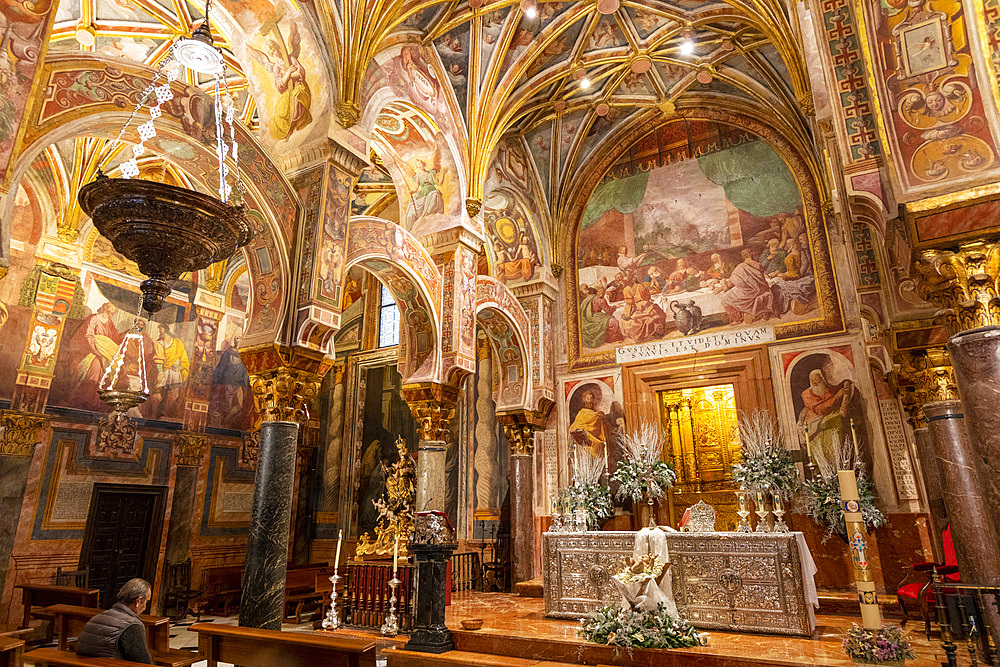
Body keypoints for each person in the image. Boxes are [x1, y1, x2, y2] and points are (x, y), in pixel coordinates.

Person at [76, 578, 153, 663]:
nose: (145, 607)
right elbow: (143, 662)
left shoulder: (95, 619)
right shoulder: (132, 626)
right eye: (146, 602)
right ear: (138, 601)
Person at [721, 248, 775, 324]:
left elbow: (731, 282)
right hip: (763, 289)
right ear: (751, 254)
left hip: (749, 292)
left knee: (725, 300)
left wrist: (722, 288)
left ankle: (739, 318)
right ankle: (748, 314)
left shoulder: (740, 267)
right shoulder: (758, 264)